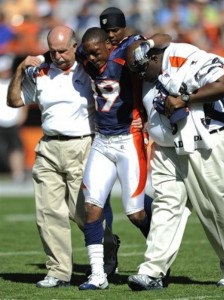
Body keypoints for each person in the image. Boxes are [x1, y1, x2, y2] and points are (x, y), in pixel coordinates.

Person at [124, 39, 224, 290]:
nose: (139, 76)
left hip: (202, 141)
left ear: (154, 57)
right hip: (166, 147)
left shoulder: (184, 55)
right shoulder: (148, 67)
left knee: (213, 206)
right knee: (165, 206)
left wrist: (185, 98)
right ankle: (153, 271)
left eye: (140, 69)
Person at [6, 25, 118, 288]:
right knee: (48, 212)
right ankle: (58, 271)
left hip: (83, 146)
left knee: (82, 212)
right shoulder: (40, 72)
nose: (57, 56)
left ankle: (108, 243)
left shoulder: (89, 70)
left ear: (74, 46)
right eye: (53, 51)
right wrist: (21, 70)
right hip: (48, 147)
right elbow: (14, 101)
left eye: (62, 50)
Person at [77, 26, 171, 291]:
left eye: (97, 53)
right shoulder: (85, 56)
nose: (93, 58)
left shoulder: (122, 58)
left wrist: (142, 41)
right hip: (102, 140)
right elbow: (65, 53)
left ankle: (159, 258)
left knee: (136, 212)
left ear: (108, 45)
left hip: (129, 137)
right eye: (89, 54)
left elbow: (162, 40)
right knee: (92, 207)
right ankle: (97, 274)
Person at [0, 54, 27, 183]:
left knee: (16, 148)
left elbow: (23, 101)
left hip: (12, 121)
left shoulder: (15, 82)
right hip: (1, 121)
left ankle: (18, 174)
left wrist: (22, 116)